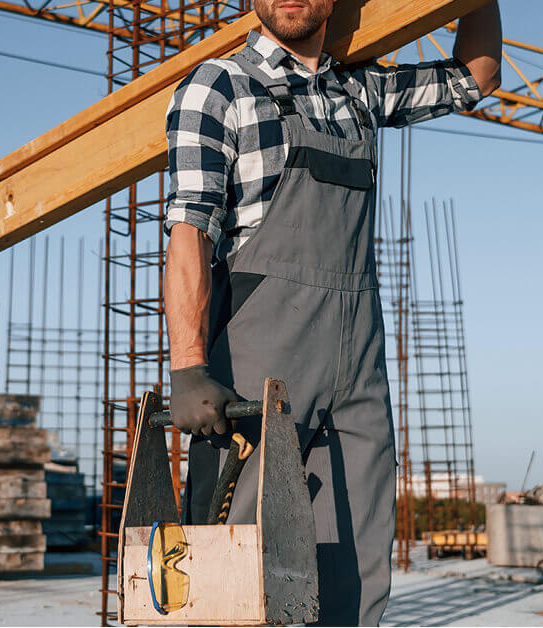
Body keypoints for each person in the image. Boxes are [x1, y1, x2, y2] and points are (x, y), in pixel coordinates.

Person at [161, 0, 502, 624]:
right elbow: (189, 230)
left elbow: (474, 78)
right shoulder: (220, 87)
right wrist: (187, 367)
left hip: (358, 374)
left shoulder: (361, 93)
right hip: (258, 372)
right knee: (238, 574)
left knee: (354, 570)